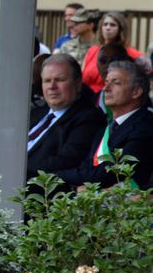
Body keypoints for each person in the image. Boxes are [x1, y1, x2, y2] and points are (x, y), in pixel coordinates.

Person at [57, 61, 153, 189]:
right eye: (106, 82)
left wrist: (54, 176)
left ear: (136, 91)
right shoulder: (106, 129)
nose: (106, 88)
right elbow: (86, 168)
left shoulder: (145, 128)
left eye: (116, 83)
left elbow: (106, 173)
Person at [26, 54, 106, 179]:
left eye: (60, 80)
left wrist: (17, 165)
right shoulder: (34, 114)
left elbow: (66, 161)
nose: (52, 86)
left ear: (78, 84)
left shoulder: (88, 119)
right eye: (47, 81)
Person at [81, 11, 146, 93]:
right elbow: (82, 77)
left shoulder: (132, 53)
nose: (108, 28)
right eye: (105, 24)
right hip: (87, 99)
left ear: (120, 29)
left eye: (112, 25)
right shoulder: (92, 50)